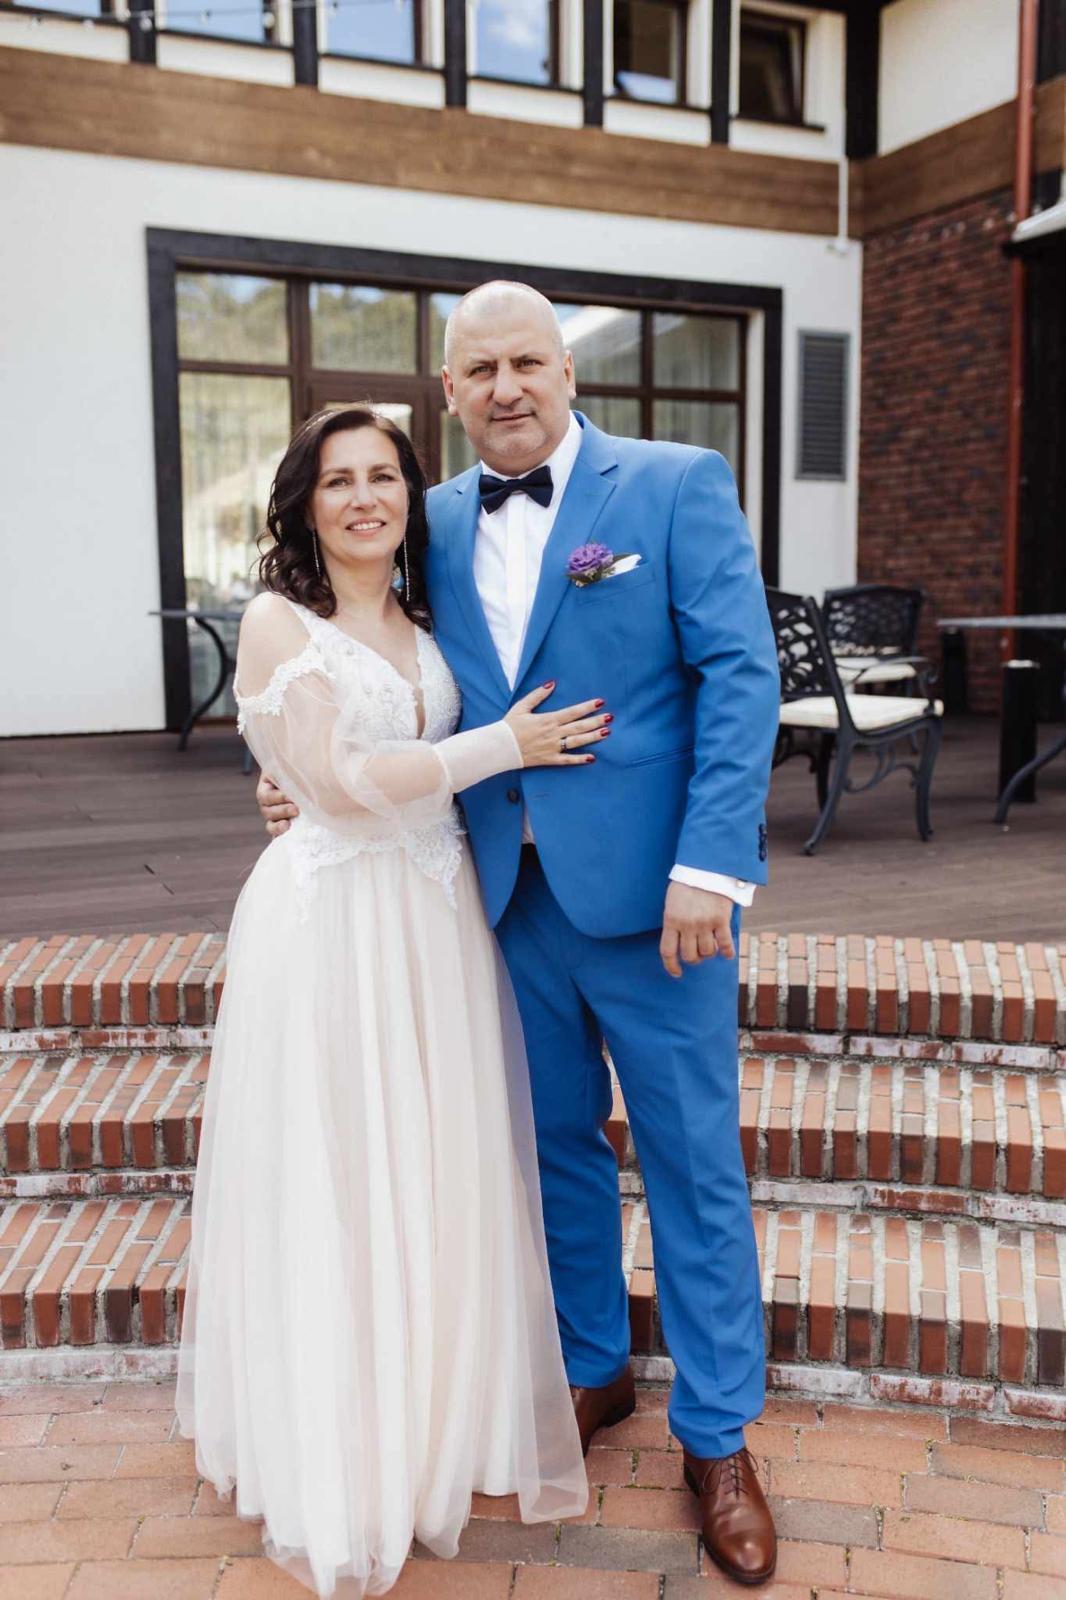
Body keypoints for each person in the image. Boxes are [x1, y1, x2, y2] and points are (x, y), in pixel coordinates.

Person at [259, 282, 782, 1585]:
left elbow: (740, 676)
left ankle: (718, 1437)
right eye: (479, 368)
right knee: (550, 1150)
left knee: (691, 1163)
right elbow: (346, 666)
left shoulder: (674, 484)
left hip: (657, 902)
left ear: (566, 371)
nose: (506, 387)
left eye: (527, 362)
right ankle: (591, 1367)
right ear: (447, 391)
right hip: (493, 898)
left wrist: (712, 866)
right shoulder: (423, 516)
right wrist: (300, 778)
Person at [177, 405, 596, 1598]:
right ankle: (336, 1439)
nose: (364, 497)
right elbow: (336, 780)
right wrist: (502, 745)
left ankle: (430, 1419)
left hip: (435, 915)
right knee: (341, 1169)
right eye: (338, 480)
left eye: (383, 477)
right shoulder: (278, 619)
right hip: (331, 924)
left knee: (432, 1158)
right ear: (304, 504)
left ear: (411, 495)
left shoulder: (426, 618)